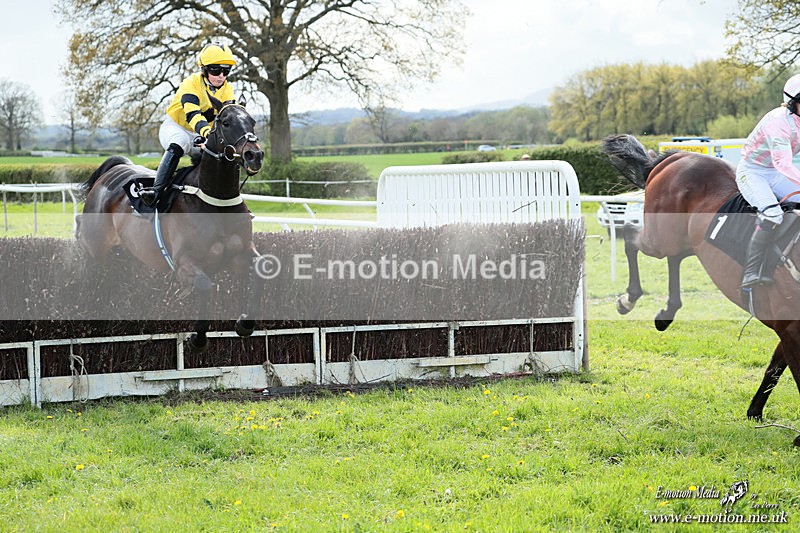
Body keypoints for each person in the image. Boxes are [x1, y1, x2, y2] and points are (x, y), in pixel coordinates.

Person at [139, 43, 237, 206]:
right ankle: (155, 191)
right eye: (215, 70)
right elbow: (193, 114)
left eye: (226, 71)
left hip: (203, 133)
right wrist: (208, 135)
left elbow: (226, 120)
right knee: (180, 143)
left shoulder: (228, 89)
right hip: (177, 127)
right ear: (204, 69)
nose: (221, 75)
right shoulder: (190, 83)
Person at [736, 73, 800, 291]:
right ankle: (751, 272)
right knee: (773, 214)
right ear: (793, 103)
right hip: (753, 172)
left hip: (775, 172)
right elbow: (783, 163)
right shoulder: (778, 122)